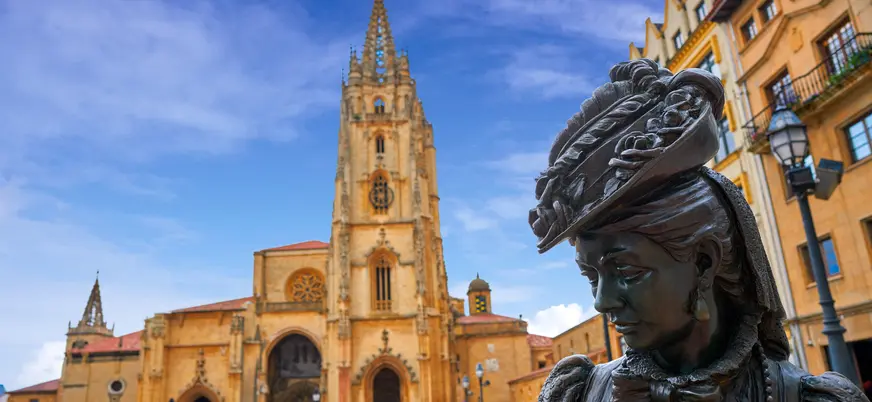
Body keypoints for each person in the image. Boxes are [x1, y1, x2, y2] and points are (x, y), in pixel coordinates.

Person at [527, 59, 868, 402]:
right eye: (591, 276)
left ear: (704, 263)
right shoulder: (578, 392)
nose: (602, 302)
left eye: (627, 270)